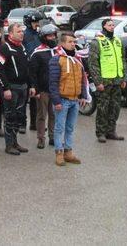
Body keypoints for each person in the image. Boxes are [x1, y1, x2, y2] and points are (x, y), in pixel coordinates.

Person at [49, 32, 89, 166]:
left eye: (74, 41)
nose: (73, 44)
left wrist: (83, 95)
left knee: (70, 128)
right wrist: (56, 101)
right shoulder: (57, 59)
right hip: (62, 100)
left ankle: (68, 152)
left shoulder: (77, 59)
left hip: (75, 100)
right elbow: (53, 83)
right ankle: (59, 153)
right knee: (59, 128)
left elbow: (82, 79)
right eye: (70, 42)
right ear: (62, 43)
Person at [0, 23, 33, 155]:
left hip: (23, 87)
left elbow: (28, 68)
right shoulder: (3, 48)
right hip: (11, 87)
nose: (21, 33)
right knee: (10, 116)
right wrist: (5, 88)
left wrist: (32, 85)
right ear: (10, 34)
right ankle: (9, 144)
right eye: (18, 31)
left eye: (22, 31)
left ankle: (15, 142)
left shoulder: (22, 47)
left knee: (19, 116)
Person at [89, 19, 126, 143]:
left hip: (116, 79)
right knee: (103, 108)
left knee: (115, 107)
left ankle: (111, 131)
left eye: (113, 25)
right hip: (105, 81)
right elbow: (93, 63)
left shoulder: (117, 41)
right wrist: (98, 81)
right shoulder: (97, 42)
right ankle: (101, 132)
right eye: (109, 25)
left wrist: (123, 78)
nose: (112, 27)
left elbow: (122, 60)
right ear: (103, 26)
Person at [29, 23, 59, 149]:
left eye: (53, 35)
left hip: (56, 89)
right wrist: (35, 88)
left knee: (54, 114)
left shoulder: (58, 51)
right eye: (49, 36)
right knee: (42, 115)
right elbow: (33, 73)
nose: (52, 38)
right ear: (43, 37)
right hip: (43, 90)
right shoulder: (37, 53)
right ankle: (41, 138)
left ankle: (52, 136)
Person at [23, 10, 44, 132]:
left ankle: (34, 123)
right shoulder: (25, 35)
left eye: (38, 22)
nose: (37, 24)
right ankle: (22, 123)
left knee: (36, 99)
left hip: (38, 69)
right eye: (35, 22)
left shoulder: (38, 34)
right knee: (25, 97)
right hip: (27, 69)